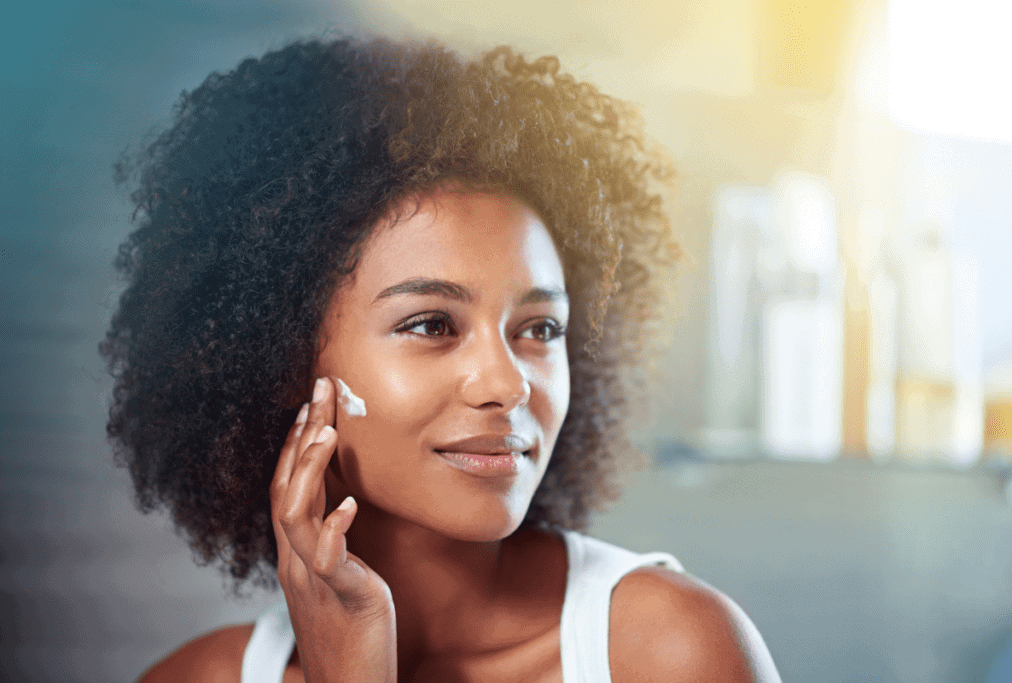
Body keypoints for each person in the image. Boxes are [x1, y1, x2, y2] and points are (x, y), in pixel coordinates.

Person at [102, 35, 781, 682]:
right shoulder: (199, 676)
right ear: (284, 362)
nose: (507, 382)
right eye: (432, 324)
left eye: (540, 328)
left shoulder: (669, 651)